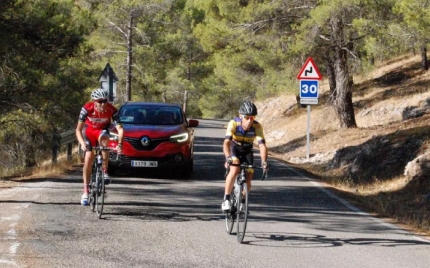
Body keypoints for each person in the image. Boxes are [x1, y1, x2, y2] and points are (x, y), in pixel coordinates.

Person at [75, 88, 124, 206]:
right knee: (88, 158)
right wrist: (82, 143)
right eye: (100, 101)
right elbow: (78, 129)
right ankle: (86, 191)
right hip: (89, 132)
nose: (103, 104)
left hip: (102, 131)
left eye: (105, 101)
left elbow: (120, 129)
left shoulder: (112, 110)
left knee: (104, 143)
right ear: (94, 101)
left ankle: (105, 171)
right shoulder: (87, 108)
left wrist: (119, 144)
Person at [221, 101, 269, 212]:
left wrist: (264, 161)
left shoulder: (257, 126)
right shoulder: (234, 123)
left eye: (252, 118)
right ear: (241, 116)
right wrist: (228, 157)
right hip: (234, 148)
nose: (249, 121)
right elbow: (226, 142)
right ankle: (226, 199)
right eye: (246, 117)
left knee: (249, 177)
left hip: (247, 150)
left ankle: (242, 199)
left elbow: (262, 145)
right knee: (235, 169)